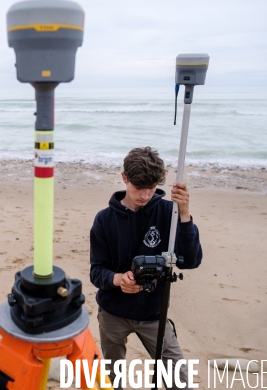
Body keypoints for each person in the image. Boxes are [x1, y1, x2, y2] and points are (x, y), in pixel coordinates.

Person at [90, 147, 202, 389]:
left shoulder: (168, 212)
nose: (145, 195)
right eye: (138, 188)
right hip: (112, 313)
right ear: (124, 178)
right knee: (111, 380)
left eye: (151, 188)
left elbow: (191, 260)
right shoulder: (104, 219)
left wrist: (184, 215)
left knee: (179, 381)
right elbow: (96, 271)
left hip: (153, 313)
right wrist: (118, 279)